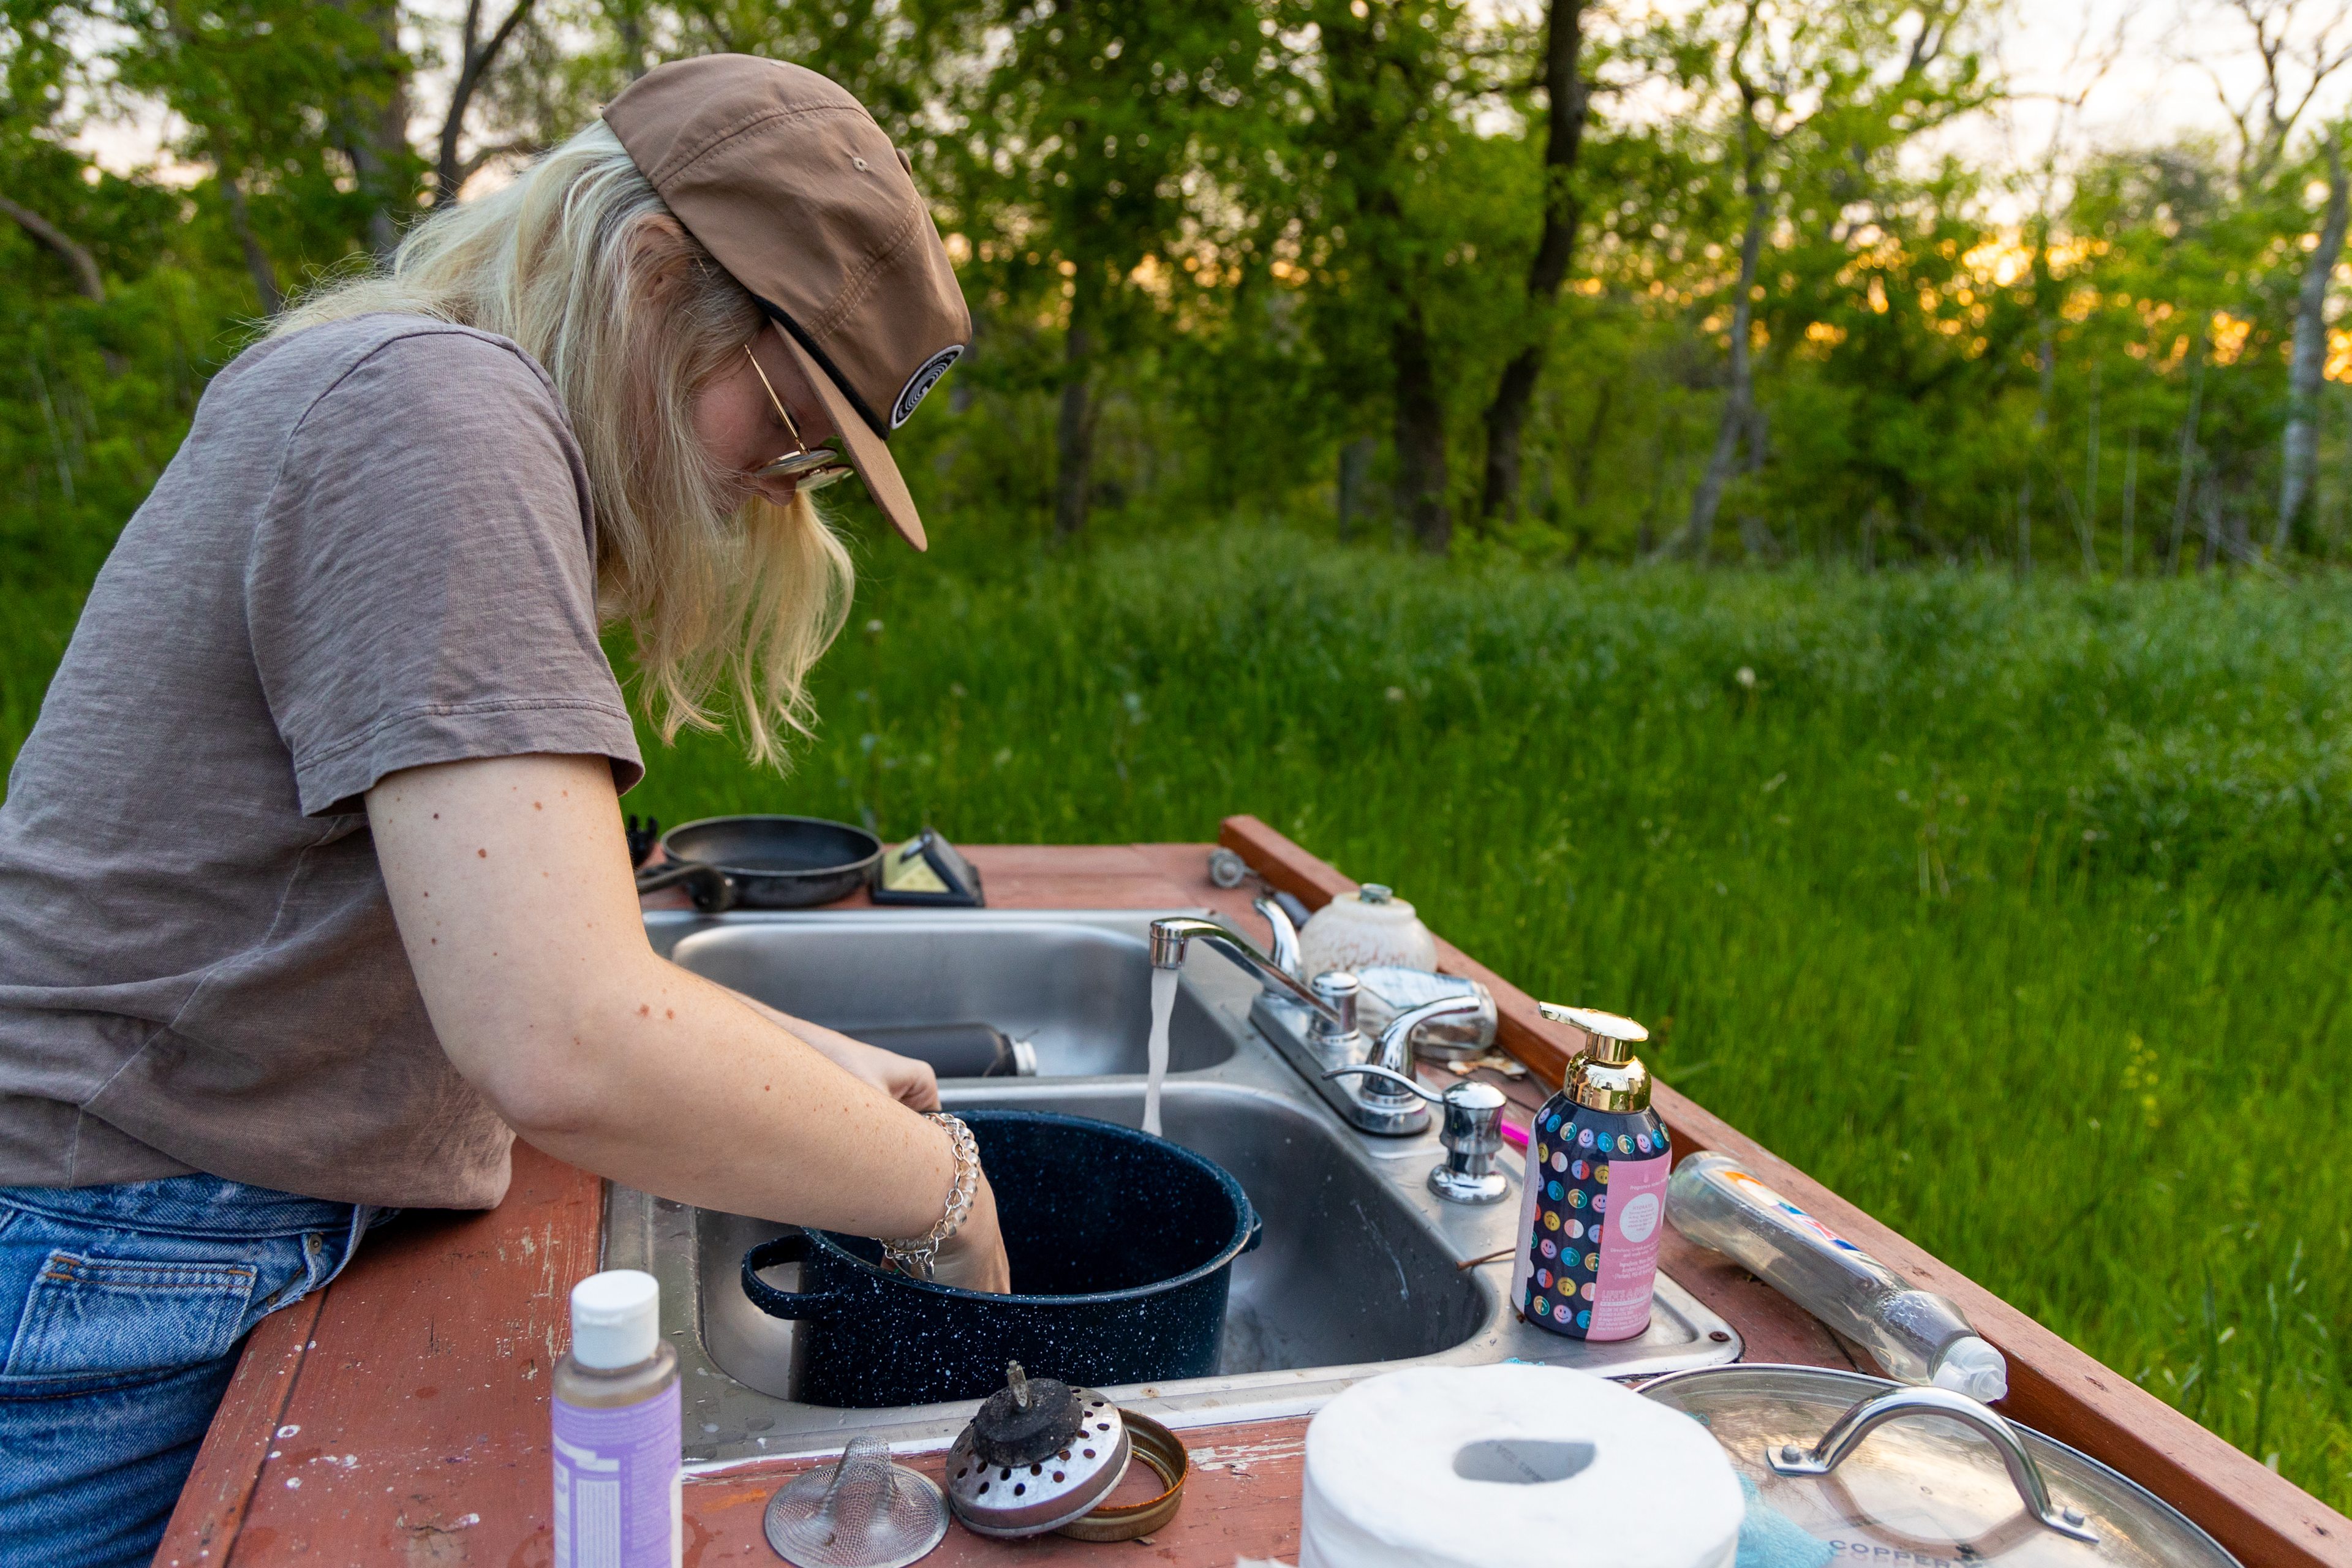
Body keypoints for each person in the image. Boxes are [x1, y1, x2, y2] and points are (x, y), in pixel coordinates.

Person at [0, 55, 1009, 1568]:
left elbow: (482, 949)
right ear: (660, 276)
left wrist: (805, 1059)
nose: (773, 493)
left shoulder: (406, 389)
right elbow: (564, 1036)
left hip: (155, 1233)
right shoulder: (437, 412)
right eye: (792, 426)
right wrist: (947, 1197)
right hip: (122, 1268)